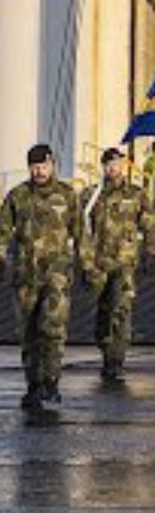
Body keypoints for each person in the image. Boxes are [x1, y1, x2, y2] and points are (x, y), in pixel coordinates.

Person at [0, 145, 87, 408]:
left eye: (43, 166)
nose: (39, 172)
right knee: (28, 333)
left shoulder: (67, 195)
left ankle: (51, 383)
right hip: (26, 277)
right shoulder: (18, 196)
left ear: (53, 165)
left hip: (57, 277)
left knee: (53, 330)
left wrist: (88, 266)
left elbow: (81, 233)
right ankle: (33, 385)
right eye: (34, 167)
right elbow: (3, 231)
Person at [83, 148, 155, 382]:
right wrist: (83, 260)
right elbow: (81, 228)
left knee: (121, 311)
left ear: (123, 165)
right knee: (103, 312)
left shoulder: (136, 194)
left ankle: (116, 360)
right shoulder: (91, 195)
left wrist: (149, 250)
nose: (112, 168)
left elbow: (148, 224)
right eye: (108, 164)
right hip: (98, 263)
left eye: (116, 164)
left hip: (125, 262)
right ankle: (106, 350)